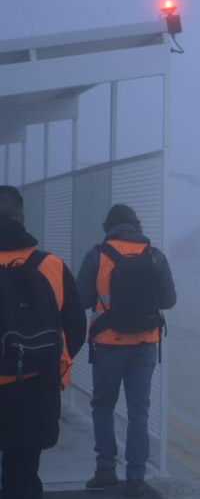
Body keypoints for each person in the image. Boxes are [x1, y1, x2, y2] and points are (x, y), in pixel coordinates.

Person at [77, 204, 176, 497]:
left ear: (108, 226)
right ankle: (136, 476)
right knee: (139, 411)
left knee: (103, 407)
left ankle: (105, 469)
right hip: (145, 343)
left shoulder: (98, 255)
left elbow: (82, 299)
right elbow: (169, 300)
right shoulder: (154, 256)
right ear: (137, 225)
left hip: (108, 344)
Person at [0, 185, 86, 499]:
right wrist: (50, 367)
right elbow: (76, 328)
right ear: (22, 218)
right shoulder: (51, 266)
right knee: (23, 477)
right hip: (34, 388)